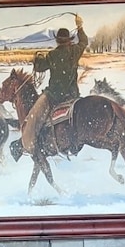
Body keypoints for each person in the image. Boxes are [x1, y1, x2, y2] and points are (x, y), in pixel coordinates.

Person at [21, 14, 88, 153]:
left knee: (34, 115)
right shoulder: (75, 51)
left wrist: (36, 58)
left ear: (57, 41)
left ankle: (29, 146)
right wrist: (80, 27)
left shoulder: (52, 55)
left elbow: (39, 67)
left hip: (54, 95)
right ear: (69, 40)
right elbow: (84, 42)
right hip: (72, 94)